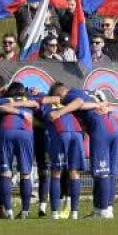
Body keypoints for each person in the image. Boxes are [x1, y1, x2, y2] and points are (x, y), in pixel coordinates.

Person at [51, 88, 118, 219]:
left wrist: (59, 112)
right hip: (113, 127)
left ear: (59, 94)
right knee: (111, 172)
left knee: (101, 171)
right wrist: (100, 105)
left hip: (101, 130)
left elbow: (79, 102)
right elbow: (106, 104)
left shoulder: (70, 95)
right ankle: (105, 208)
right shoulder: (89, 92)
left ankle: (103, 210)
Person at [40, 82, 86, 219]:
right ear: (59, 95)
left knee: (56, 172)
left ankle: (55, 213)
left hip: (61, 133)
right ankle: (75, 213)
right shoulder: (69, 106)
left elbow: (44, 117)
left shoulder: (46, 105)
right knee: (74, 172)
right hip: (77, 133)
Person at [0, 83, 40, 219]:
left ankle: (9, 211)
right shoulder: (31, 100)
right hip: (26, 132)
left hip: (7, 130)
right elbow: (40, 104)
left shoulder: (6, 100)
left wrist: (14, 108)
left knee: (5, 173)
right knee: (25, 174)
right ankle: (25, 211)